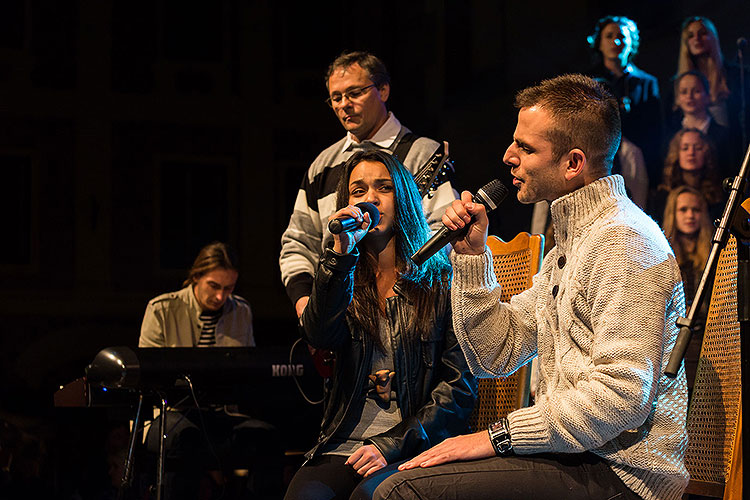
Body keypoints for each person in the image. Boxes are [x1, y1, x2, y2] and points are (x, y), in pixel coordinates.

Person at [370, 74, 689, 500]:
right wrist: (469, 259)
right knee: (376, 486)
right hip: (575, 455)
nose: (508, 156)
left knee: (399, 492)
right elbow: (495, 353)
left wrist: (497, 436)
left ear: (573, 163)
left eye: (526, 148)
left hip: (623, 473)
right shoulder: (574, 242)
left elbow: (621, 395)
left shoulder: (624, 242)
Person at [283, 149, 476, 500]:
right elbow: (318, 334)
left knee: (371, 496)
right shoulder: (343, 278)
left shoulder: (441, 280)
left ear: (402, 197)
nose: (370, 198)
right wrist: (340, 255)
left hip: (413, 446)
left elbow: (458, 389)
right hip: (342, 445)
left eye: (383, 188)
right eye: (358, 191)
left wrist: (391, 445)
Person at [279, 51, 457, 319]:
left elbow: (445, 234)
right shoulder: (323, 164)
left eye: (354, 93)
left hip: (408, 310)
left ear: (383, 90)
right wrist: (305, 302)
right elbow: (298, 242)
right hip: (335, 318)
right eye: (336, 98)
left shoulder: (421, 154)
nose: (344, 105)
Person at [139, 242, 281, 500]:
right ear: (196, 278)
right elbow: (147, 378)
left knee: (266, 437)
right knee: (186, 438)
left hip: (220, 415)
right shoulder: (161, 309)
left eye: (228, 289)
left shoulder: (241, 311)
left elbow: (246, 371)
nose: (220, 297)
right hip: (170, 414)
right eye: (213, 286)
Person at [586, 15, 662, 183]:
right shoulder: (587, 80)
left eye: (621, 36)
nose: (616, 42)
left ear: (631, 42)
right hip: (597, 157)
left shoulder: (647, 82)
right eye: (609, 36)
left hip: (636, 162)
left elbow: (654, 130)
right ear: (599, 42)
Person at [661, 186, 713, 391]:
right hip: (674, 346)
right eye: (683, 210)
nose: (690, 215)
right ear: (673, 213)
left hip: (707, 344)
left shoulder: (715, 253)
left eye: (696, 209)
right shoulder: (662, 254)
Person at [666, 70, 734, 180]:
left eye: (696, 91)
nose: (689, 96)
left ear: (707, 96)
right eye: (684, 92)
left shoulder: (723, 135)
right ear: (677, 99)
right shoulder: (671, 134)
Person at [650, 128, 724, 223]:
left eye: (698, 148)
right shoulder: (661, 197)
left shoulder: (717, 196)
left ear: (707, 153)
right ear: (676, 153)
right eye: (685, 148)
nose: (691, 153)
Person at [677, 17, 731, 127]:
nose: (697, 39)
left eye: (702, 33)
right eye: (691, 36)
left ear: (713, 37)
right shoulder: (677, 82)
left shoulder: (734, 76)